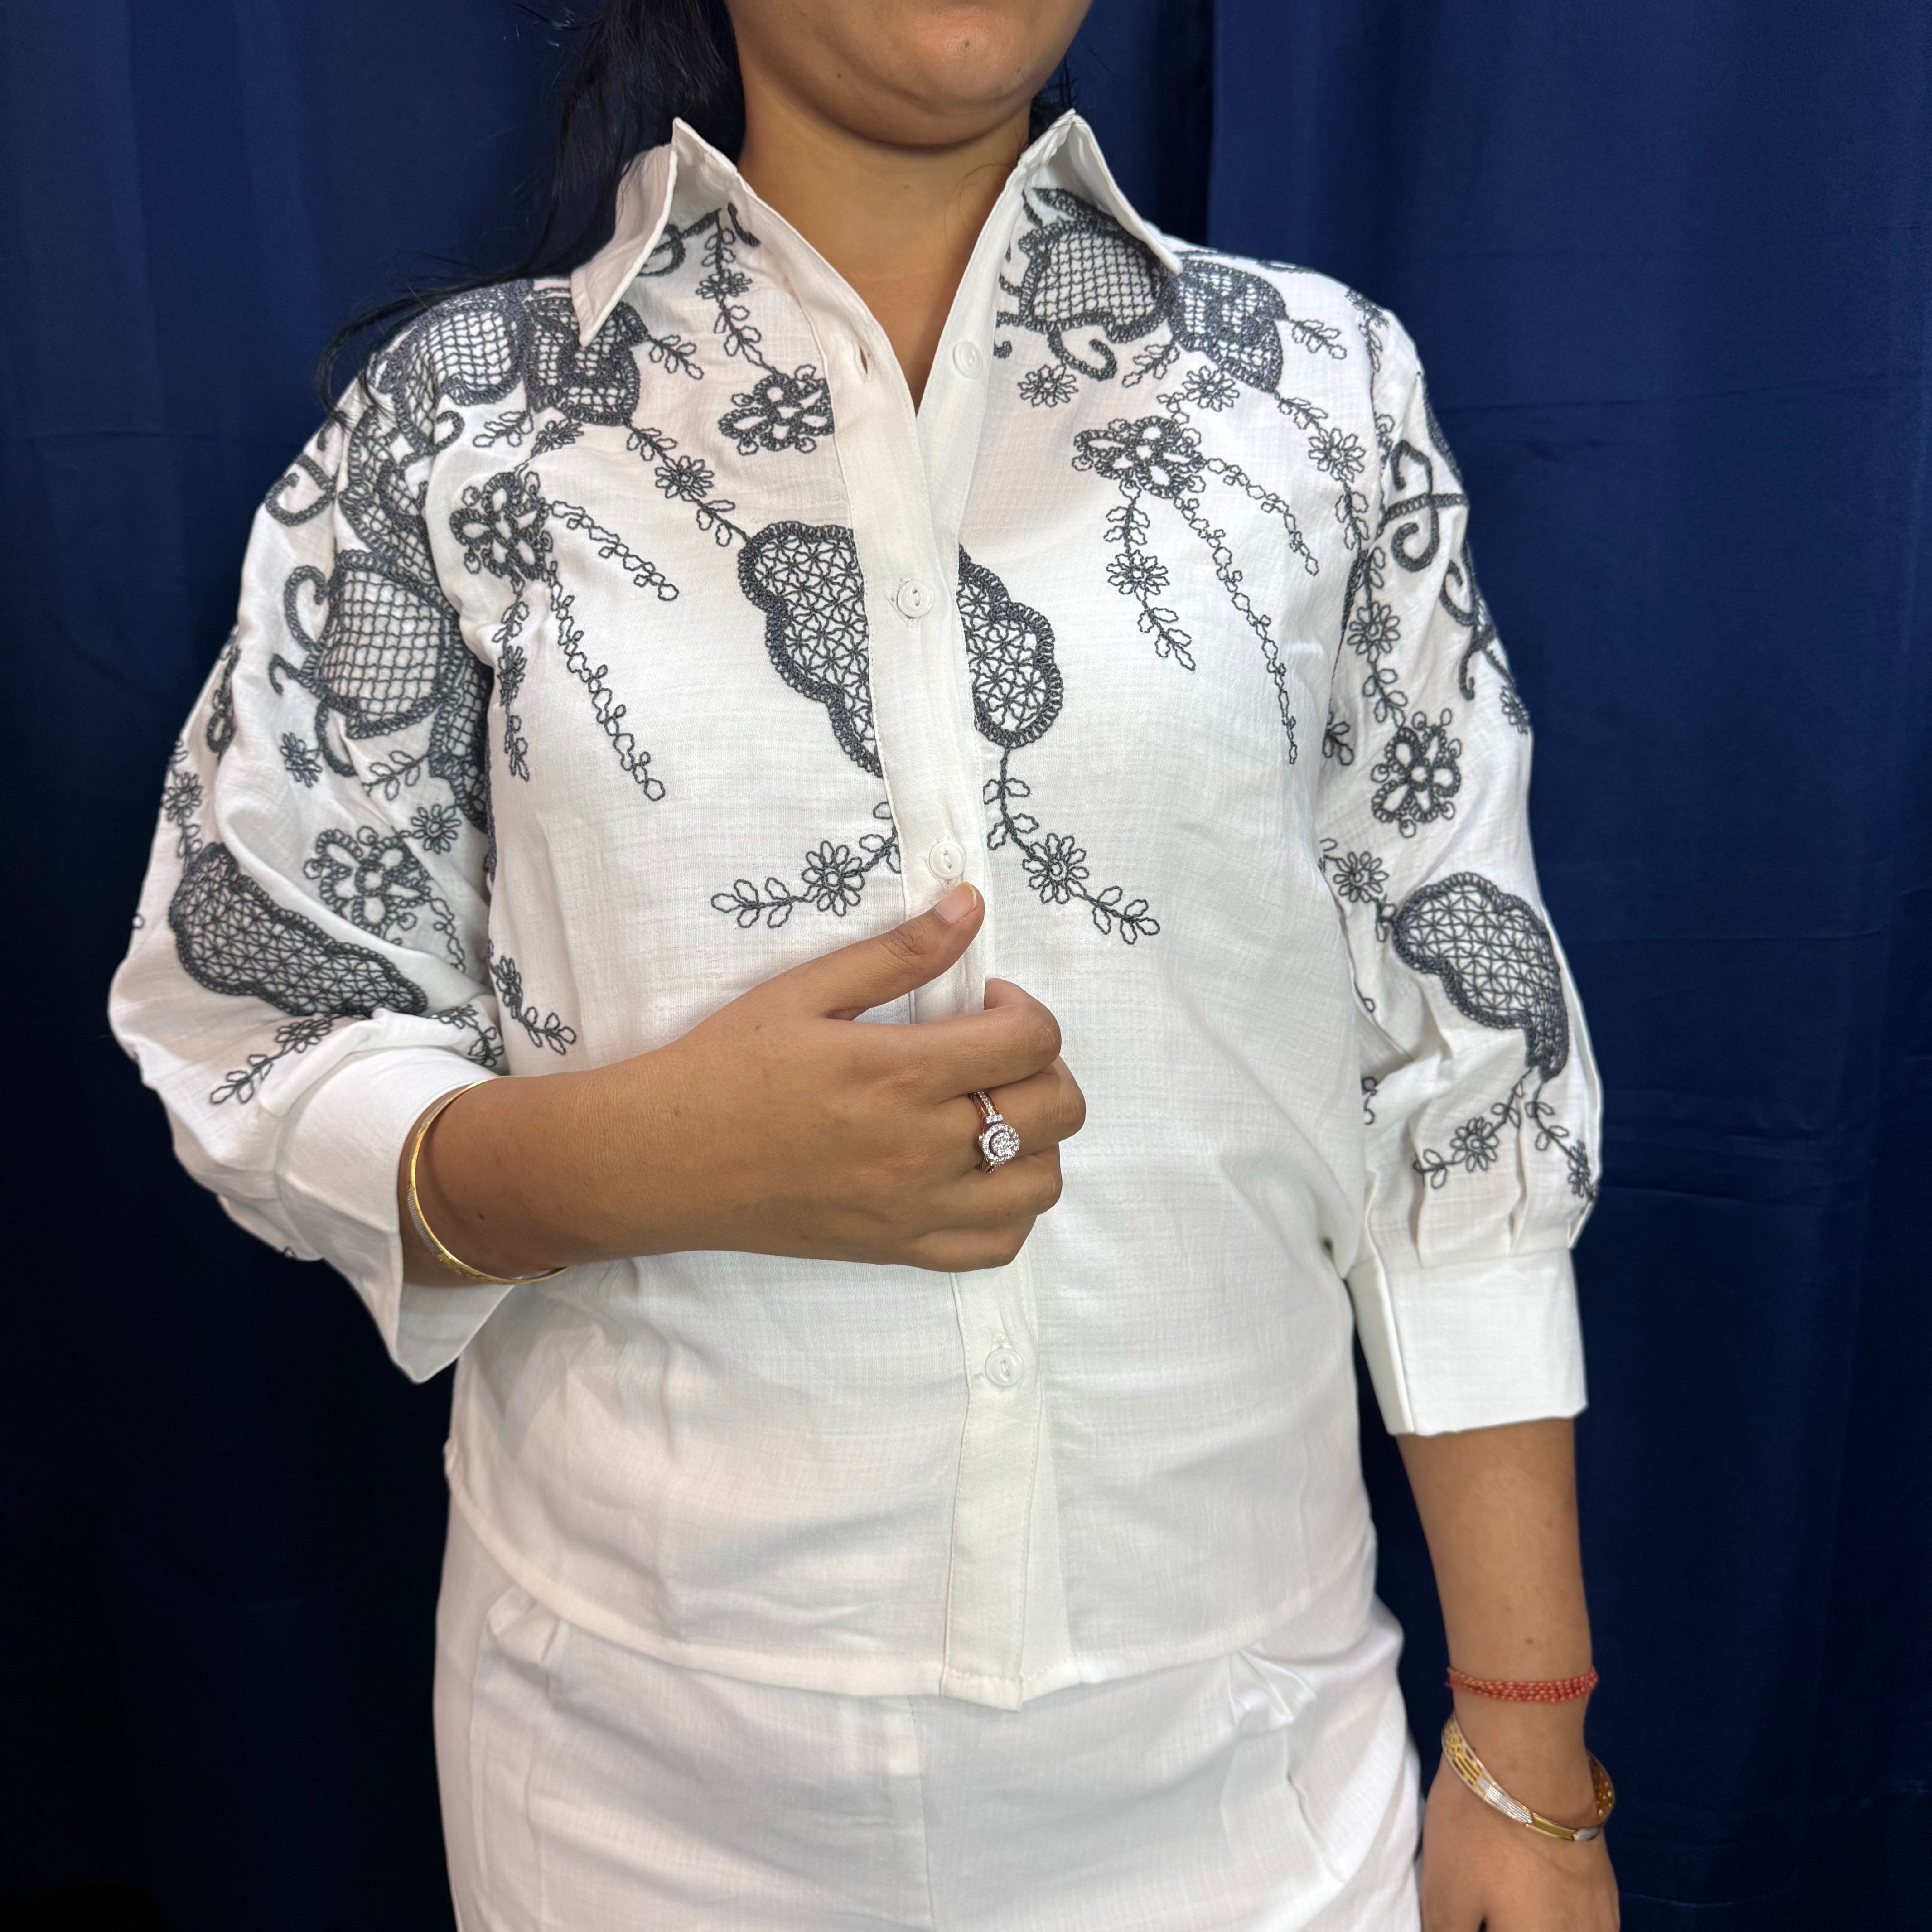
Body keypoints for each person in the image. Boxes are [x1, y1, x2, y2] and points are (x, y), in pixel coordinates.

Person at [110, 1, 1618, 1925]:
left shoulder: (1319, 396)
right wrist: (641, 1162)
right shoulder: (460, 424)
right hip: (626, 1795)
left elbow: (1468, 1088)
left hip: (1251, 1779)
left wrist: (1529, 1751)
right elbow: (254, 1021)